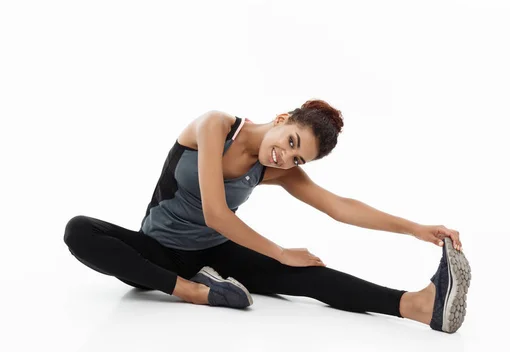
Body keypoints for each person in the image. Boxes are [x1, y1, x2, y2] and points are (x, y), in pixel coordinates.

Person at [63, 99, 471, 334]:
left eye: (297, 157)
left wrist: (416, 228)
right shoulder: (214, 127)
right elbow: (216, 212)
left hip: (216, 255)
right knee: (79, 230)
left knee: (308, 276)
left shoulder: (273, 169)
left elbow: (338, 205)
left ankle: (417, 306)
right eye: (291, 142)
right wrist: (278, 251)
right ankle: (194, 291)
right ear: (280, 119)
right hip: (155, 254)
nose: (286, 157)